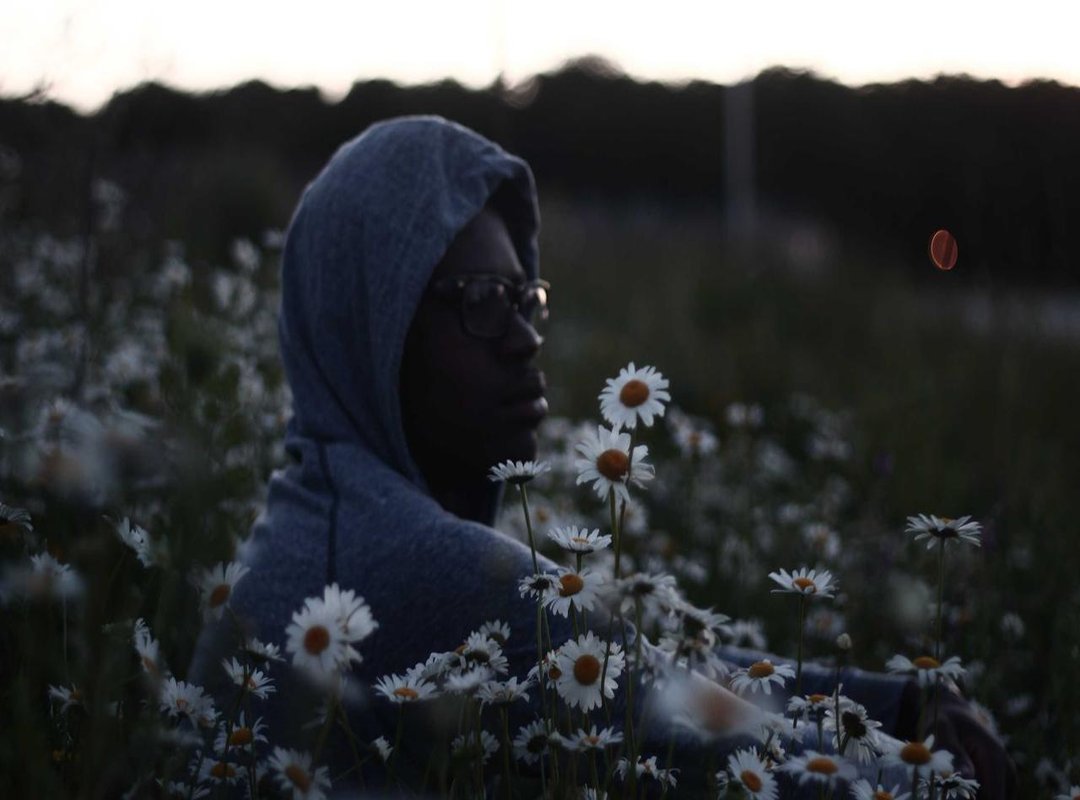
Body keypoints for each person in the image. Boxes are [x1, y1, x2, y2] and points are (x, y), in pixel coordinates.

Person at [192, 116, 1013, 797]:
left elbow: (652, 664)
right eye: (479, 302)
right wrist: (936, 774)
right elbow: (735, 757)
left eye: (526, 299)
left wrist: (899, 705)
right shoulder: (416, 568)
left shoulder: (320, 515)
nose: (523, 341)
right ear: (370, 330)